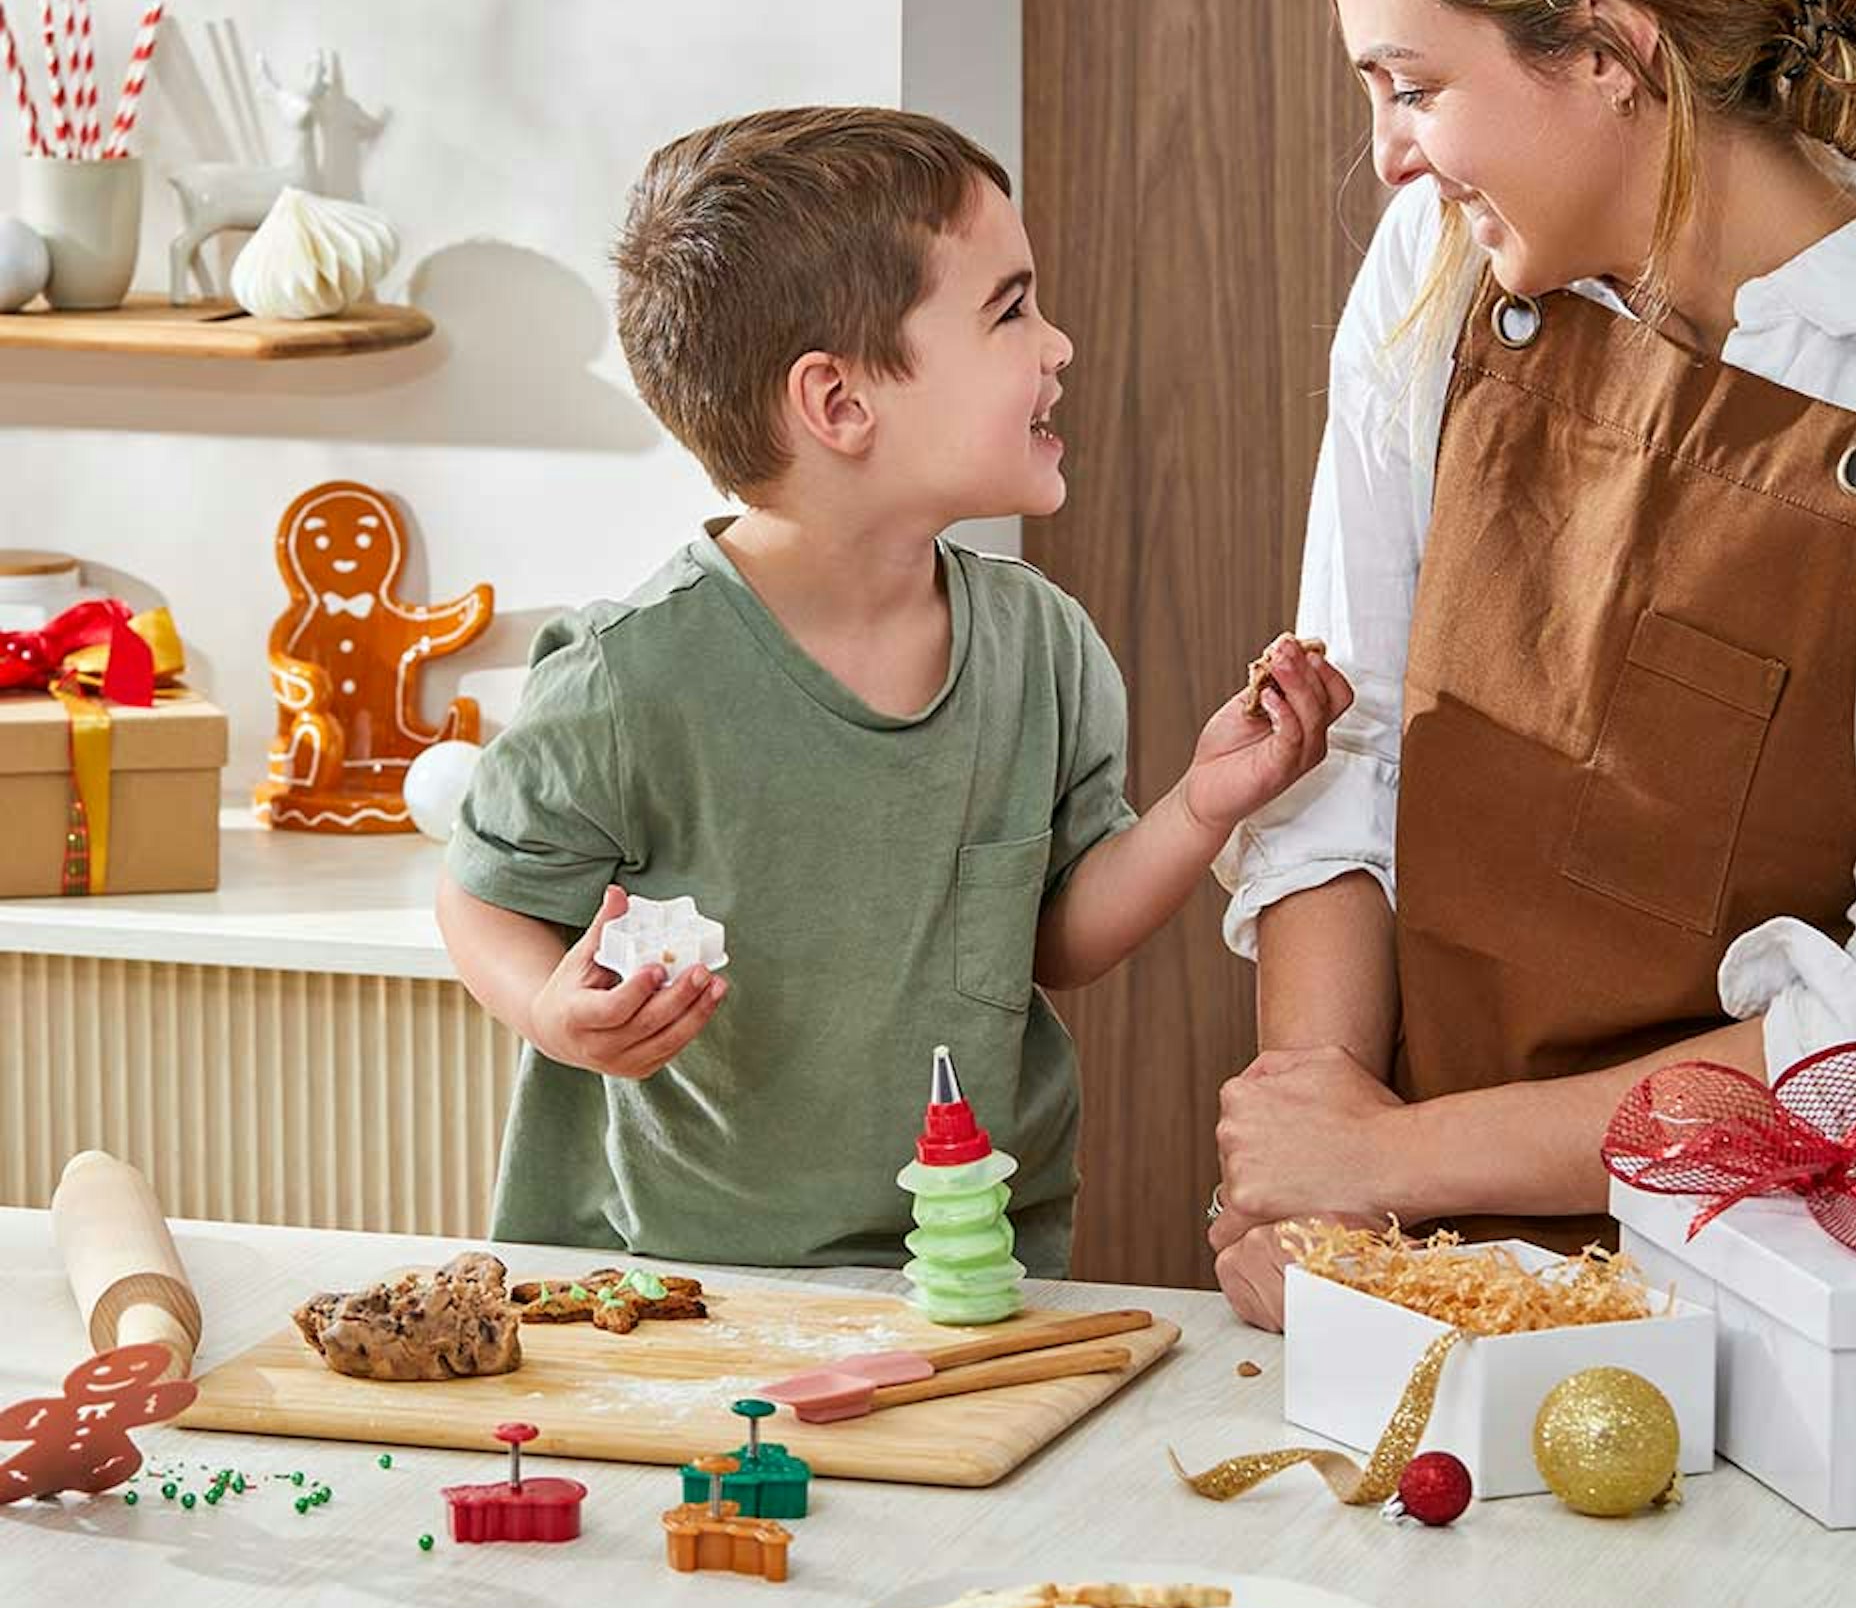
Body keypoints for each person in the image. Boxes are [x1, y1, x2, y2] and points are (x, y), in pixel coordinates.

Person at [1208, 0, 1856, 1328]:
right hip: (1410, 1279)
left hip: (1777, 1338)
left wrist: (1398, 1157)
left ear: (1610, 46)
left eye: (1414, 86)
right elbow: (1337, 762)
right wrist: (1319, 1186)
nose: (1389, 159)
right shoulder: (1436, 268)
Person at [437, 105, 1349, 1273]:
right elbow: (481, 898)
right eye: (1010, 308)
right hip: (680, 1283)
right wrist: (549, 1011)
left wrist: (1200, 806)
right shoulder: (629, 679)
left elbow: (1055, 937)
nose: (1057, 344)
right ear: (839, 404)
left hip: (966, 1264)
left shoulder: (1042, 645)